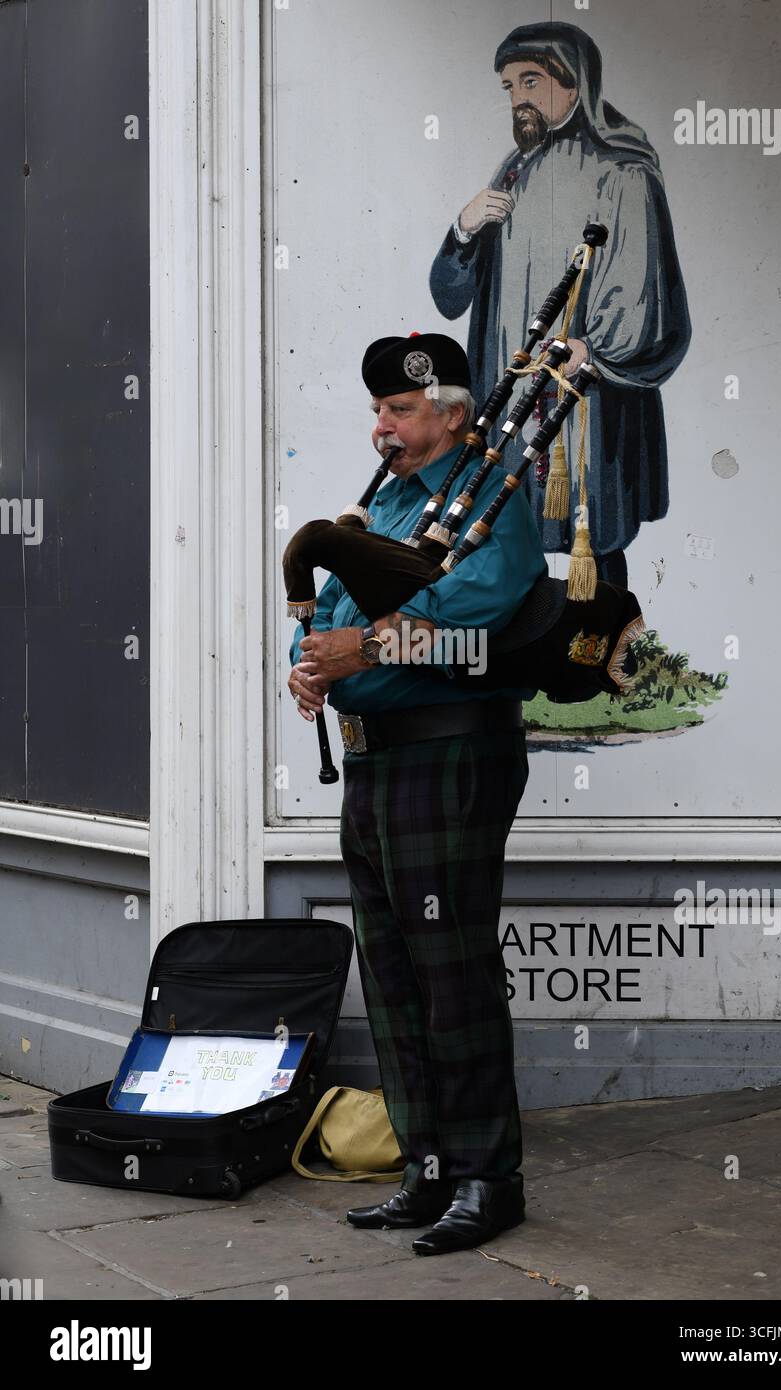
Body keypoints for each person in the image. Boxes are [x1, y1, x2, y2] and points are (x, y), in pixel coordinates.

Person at [288, 332, 547, 1255]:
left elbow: (482, 604)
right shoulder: (389, 498)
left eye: (398, 410)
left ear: (451, 409)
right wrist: (311, 660)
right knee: (394, 975)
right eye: (377, 412)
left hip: (451, 757)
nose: (382, 428)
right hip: (374, 761)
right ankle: (427, 1171)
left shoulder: (493, 494)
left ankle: (488, 1179)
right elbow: (333, 606)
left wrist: (372, 647)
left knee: (451, 972)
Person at [429, 19, 691, 587]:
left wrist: (591, 350)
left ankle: (604, 661)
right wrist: (465, 229)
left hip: (588, 394)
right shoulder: (515, 169)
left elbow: (639, 289)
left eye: (530, 81)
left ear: (574, 83)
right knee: (501, 532)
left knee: (593, 540)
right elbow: (450, 298)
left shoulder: (624, 169)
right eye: (509, 87)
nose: (518, 98)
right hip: (511, 386)